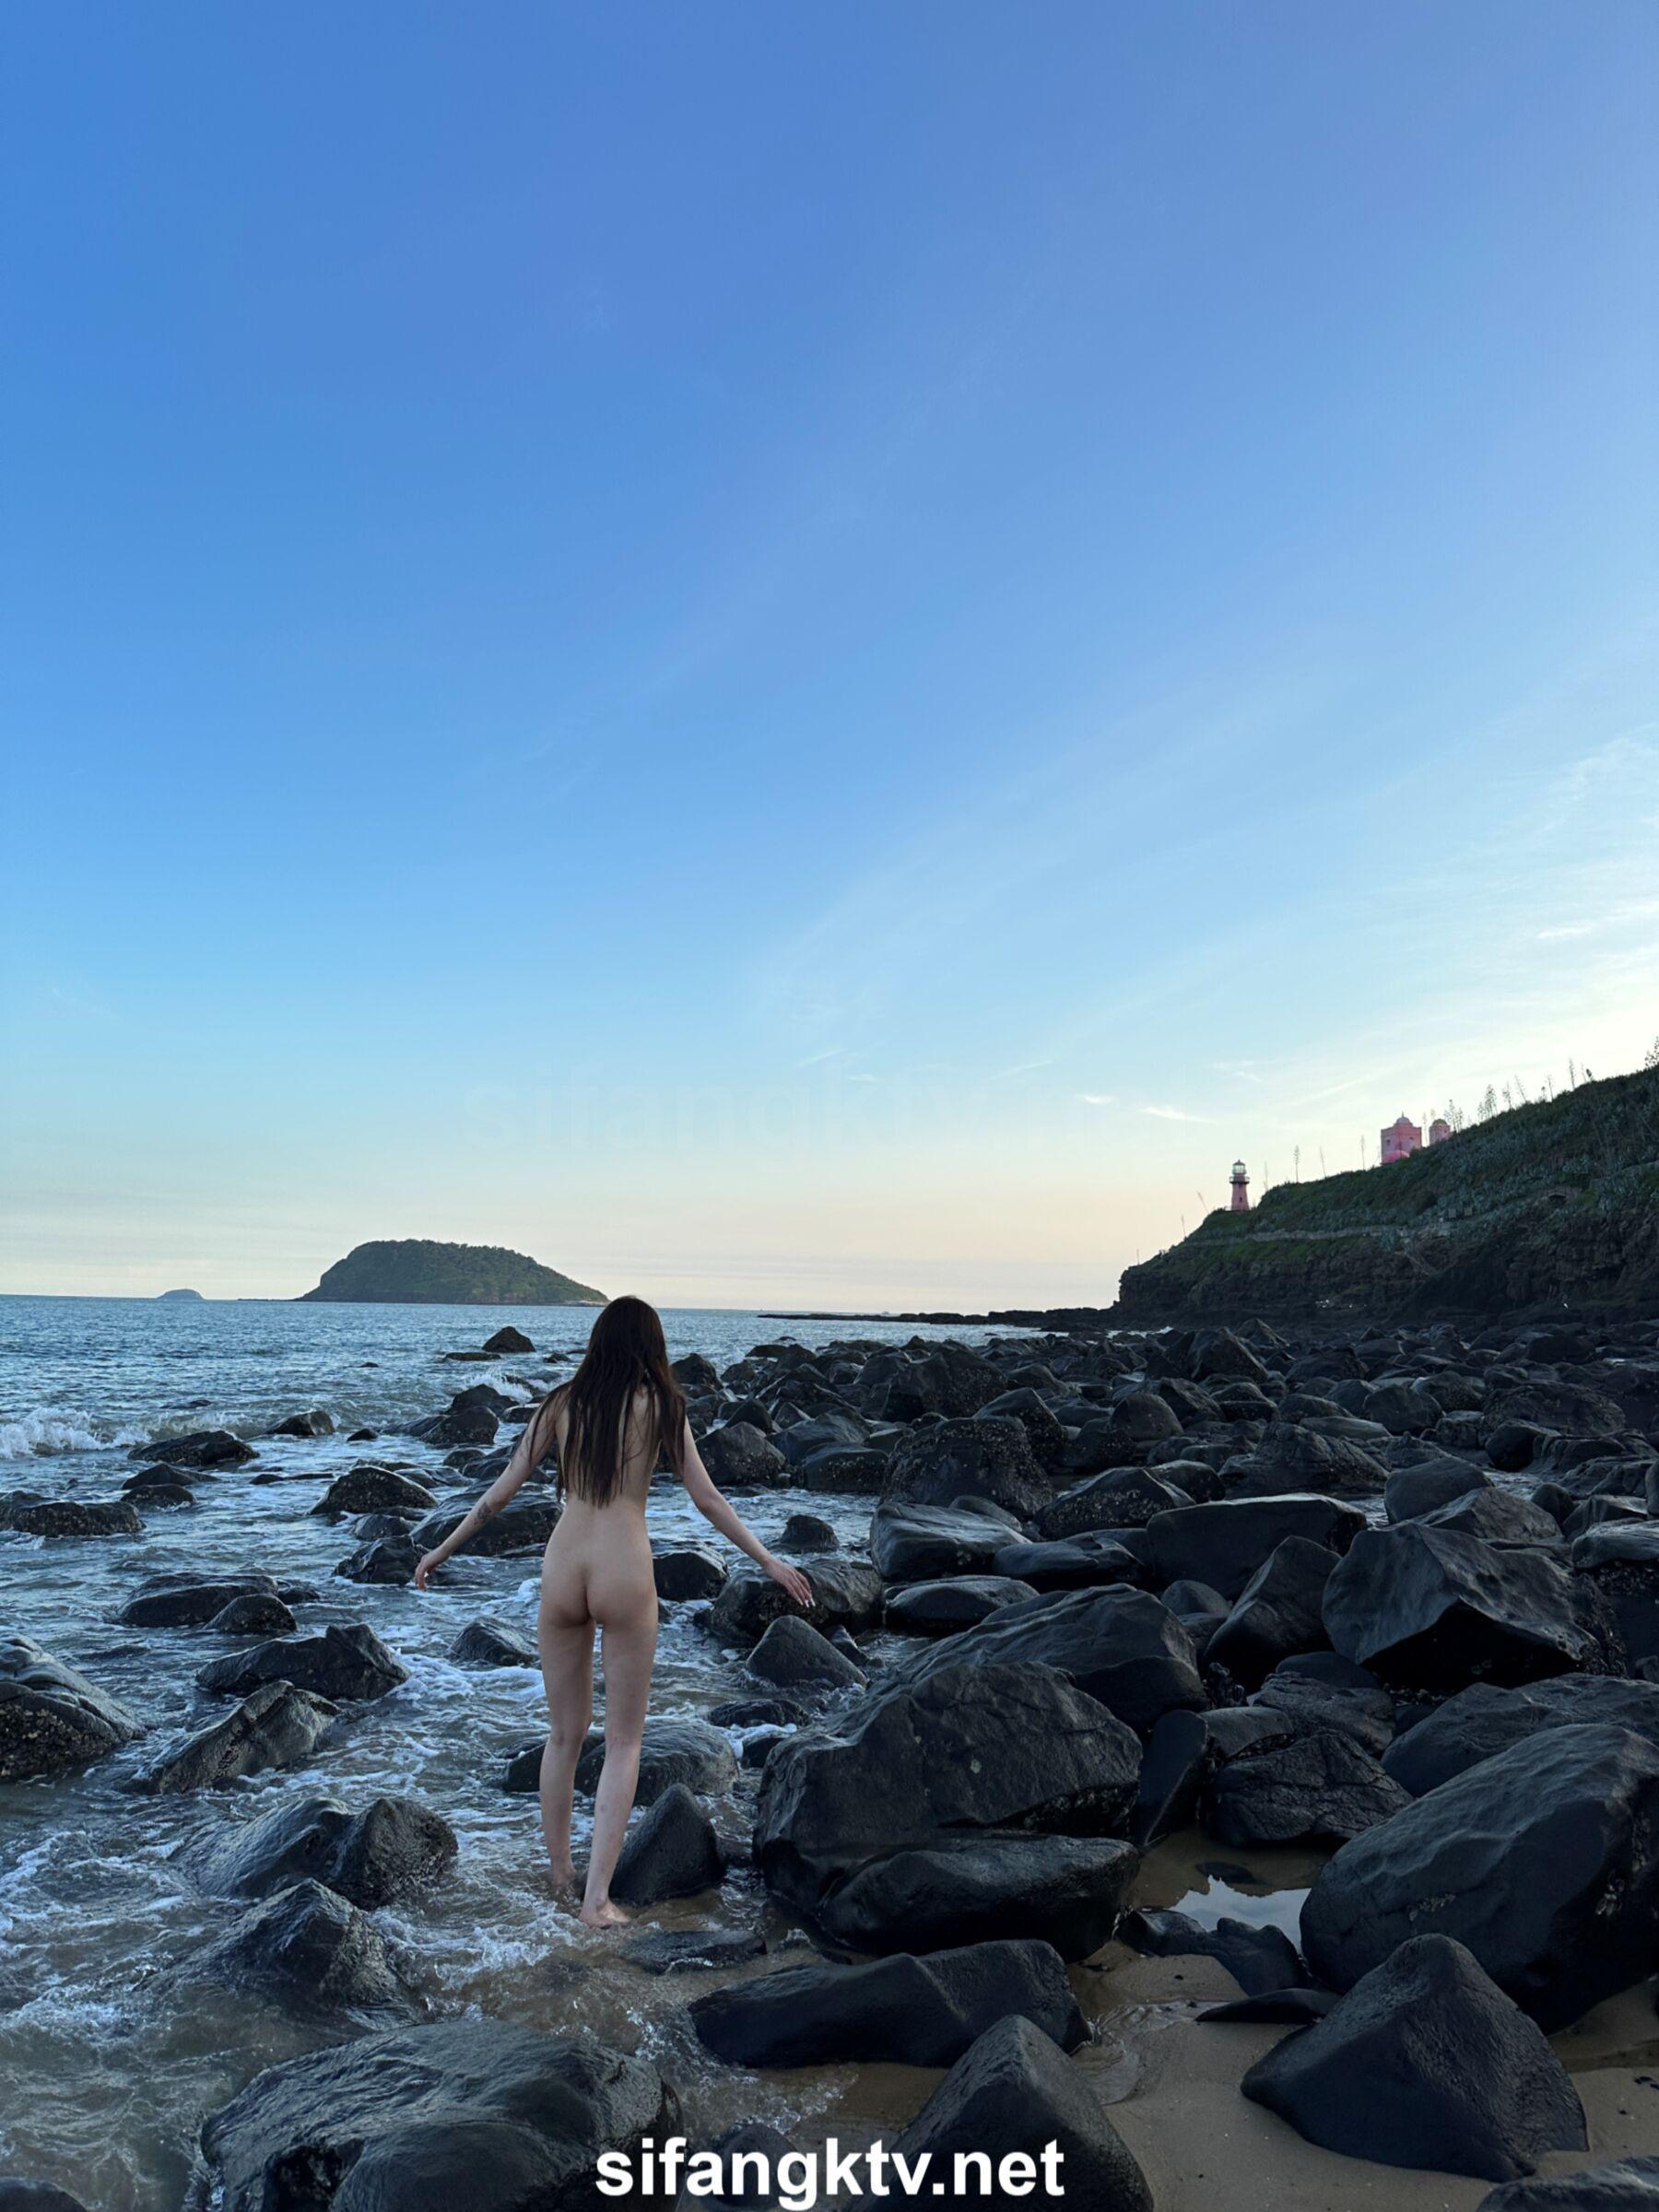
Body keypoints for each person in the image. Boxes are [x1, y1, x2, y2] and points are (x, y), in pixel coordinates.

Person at [412, 1296, 813, 1927]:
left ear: (598, 1342)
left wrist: (439, 1549)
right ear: (651, 1346)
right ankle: (596, 1901)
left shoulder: (560, 1403)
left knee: (563, 1736)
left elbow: (499, 1493)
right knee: (624, 1742)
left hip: (563, 1567)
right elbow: (707, 1499)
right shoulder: (663, 1406)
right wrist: (768, 1559)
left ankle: (559, 1874)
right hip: (623, 1569)